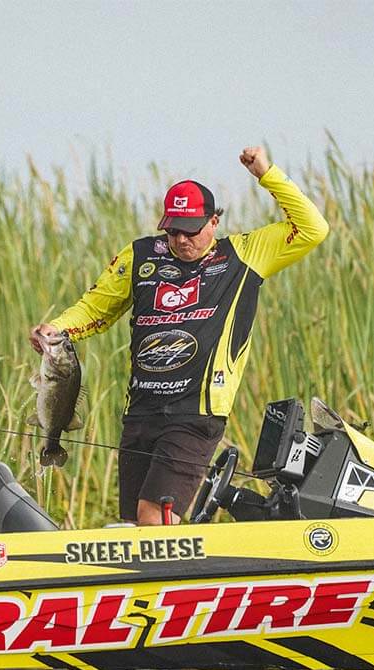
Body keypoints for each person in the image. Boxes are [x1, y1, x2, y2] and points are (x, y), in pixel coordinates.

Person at [29, 146, 329, 525]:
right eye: (172, 231)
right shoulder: (140, 256)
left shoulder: (245, 254)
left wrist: (266, 174)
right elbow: (95, 308)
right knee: (134, 524)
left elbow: (314, 228)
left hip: (196, 414)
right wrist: (57, 328)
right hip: (141, 410)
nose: (181, 240)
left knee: (152, 515)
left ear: (213, 222)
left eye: (190, 231)